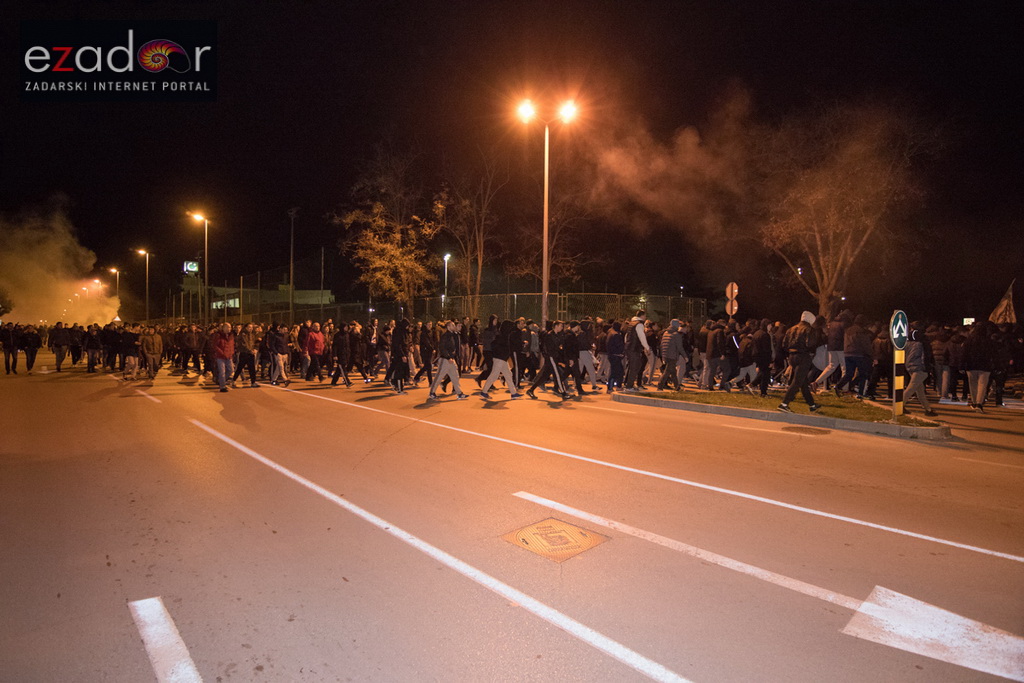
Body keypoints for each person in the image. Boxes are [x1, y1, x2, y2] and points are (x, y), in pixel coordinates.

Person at [778, 311, 823, 413]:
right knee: (797, 381)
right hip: (803, 356)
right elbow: (810, 344)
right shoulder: (809, 329)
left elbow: (784, 344)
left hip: (792, 356)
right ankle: (784, 403)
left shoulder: (791, 329)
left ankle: (812, 404)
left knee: (803, 381)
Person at [480, 319, 522, 400]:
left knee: (508, 375)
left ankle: (513, 393)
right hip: (500, 358)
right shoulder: (501, 336)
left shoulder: (505, 335)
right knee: (494, 375)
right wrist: (501, 354)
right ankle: (484, 392)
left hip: (503, 359)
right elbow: (495, 346)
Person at [527, 320, 570, 400]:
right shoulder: (550, 335)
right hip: (551, 358)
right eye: (561, 326)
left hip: (554, 358)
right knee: (557, 375)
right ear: (556, 326)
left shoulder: (558, 335)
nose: (562, 327)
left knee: (544, 376)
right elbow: (551, 349)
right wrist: (558, 349)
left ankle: (530, 390)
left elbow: (561, 346)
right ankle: (563, 393)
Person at [903, 328, 937, 416]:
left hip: (910, 367)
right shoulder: (921, 344)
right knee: (911, 388)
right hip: (920, 368)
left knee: (919, 390)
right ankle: (899, 405)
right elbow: (924, 357)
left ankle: (928, 409)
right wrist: (928, 368)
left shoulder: (908, 344)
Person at [429, 320, 467, 400]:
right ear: (448, 327)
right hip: (445, 359)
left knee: (455, 376)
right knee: (439, 376)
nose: (454, 327)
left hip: (451, 359)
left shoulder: (452, 335)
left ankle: (459, 393)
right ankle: (432, 392)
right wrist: (448, 357)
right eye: (453, 325)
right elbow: (442, 348)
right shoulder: (445, 336)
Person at [963, 321, 996, 412]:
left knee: (972, 384)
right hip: (985, 366)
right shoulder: (989, 341)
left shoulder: (969, 340)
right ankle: (979, 403)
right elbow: (993, 354)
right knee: (982, 385)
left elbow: (964, 353)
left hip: (971, 365)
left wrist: (962, 365)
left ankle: (974, 402)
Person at [657, 319, 687, 391]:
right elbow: (680, 347)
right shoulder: (676, 334)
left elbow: (662, 345)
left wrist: (663, 356)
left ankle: (677, 387)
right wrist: (685, 356)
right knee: (667, 372)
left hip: (666, 355)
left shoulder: (666, 333)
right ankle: (660, 386)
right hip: (673, 355)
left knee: (673, 372)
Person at [232, 322, 260, 387]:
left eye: (252, 327)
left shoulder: (252, 334)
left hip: (251, 353)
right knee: (240, 367)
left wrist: (255, 349)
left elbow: (255, 343)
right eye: (249, 327)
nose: (251, 328)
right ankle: (234, 380)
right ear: (246, 327)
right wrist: (250, 350)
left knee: (252, 368)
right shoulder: (242, 334)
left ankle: (253, 382)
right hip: (244, 353)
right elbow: (243, 344)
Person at [211, 323, 235, 392]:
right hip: (220, 356)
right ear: (223, 328)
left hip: (229, 356)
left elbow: (232, 345)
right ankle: (222, 386)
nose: (229, 329)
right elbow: (215, 345)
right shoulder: (218, 335)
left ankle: (220, 380)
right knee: (222, 372)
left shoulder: (231, 336)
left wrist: (231, 353)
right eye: (227, 327)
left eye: (230, 327)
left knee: (230, 370)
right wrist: (221, 353)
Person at [390, 318, 411, 393]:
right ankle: (399, 388)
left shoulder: (403, 332)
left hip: (403, 353)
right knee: (400, 371)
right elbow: (398, 345)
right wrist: (402, 355)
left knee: (401, 370)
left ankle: (395, 383)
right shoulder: (399, 332)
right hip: (399, 354)